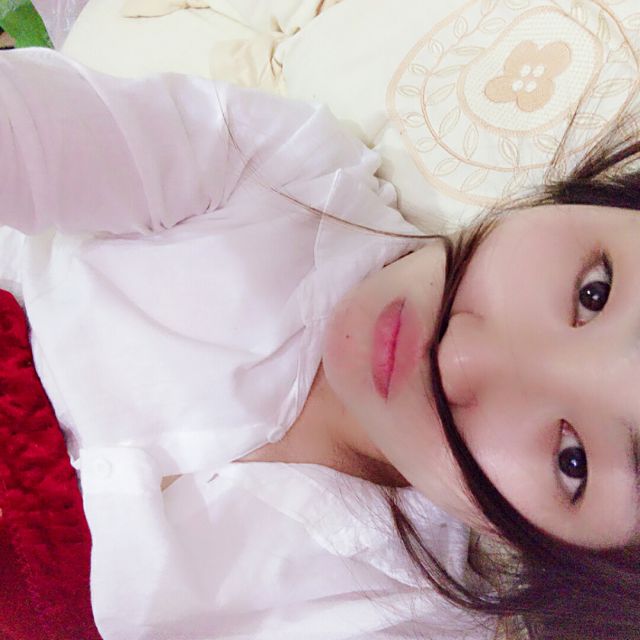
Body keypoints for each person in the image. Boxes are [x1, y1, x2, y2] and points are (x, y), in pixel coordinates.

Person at [0, 46, 638, 640]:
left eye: (573, 461)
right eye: (595, 292)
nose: (460, 356)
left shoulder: (398, 620)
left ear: (569, 567)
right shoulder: (285, 172)